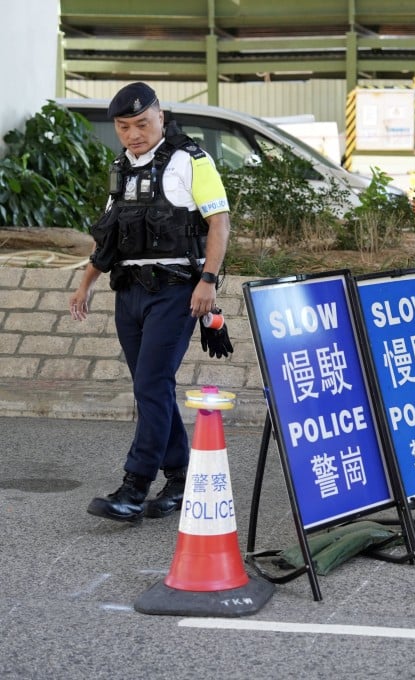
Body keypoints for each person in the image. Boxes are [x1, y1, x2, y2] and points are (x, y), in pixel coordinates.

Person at [69, 82, 233, 524]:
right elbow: (110, 234)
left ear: (161, 116)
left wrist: (209, 281)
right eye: (124, 127)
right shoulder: (121, 167)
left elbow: (219, 223)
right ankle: (181, 479)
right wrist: (85, 284)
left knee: (150, 384)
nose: (133, 134)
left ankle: (134, 486)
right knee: (153, 387)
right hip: (130, 292)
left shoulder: (191, 160)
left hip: (177, 291)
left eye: (142, 123)